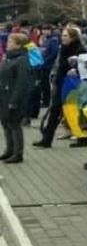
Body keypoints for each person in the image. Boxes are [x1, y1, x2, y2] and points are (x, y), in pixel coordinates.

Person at [34, 25, 82, 148]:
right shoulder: (63, 48)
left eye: (66, 36)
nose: (63, 38)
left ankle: (82, 137)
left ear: (73, 37)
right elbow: (59, 65)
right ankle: (47, 139)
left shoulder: (79, 49)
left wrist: (75, 68)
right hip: (60, 81)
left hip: (72, 84)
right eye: (62, 35)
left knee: (73, 111)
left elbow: (83, 64)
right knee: (55, 110)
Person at [0, 32, 36, 164]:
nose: (7, 44)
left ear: (18, 45)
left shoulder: (22, 59)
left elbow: (22, 82)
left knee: (14, 124)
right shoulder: (8, 57)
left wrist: (14, 101)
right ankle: (9, 150)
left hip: (13, 97)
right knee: (5, 123)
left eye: (10, 42)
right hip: (3, 95)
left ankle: (18, 153)